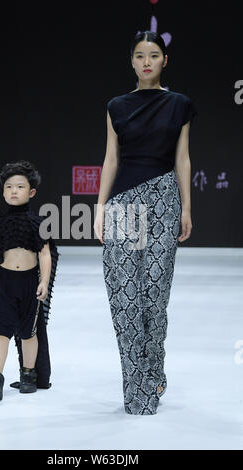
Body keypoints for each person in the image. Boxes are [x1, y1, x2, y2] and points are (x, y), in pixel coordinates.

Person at [94, 30, 197, 415]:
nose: (147, 61)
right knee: (125, 295)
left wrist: (186, 208)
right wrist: (100, 206)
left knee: (155, 296)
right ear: (132, 61)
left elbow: (183, 158)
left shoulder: (180, 104)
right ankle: (136, 388)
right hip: (124, 203)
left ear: (164, 60)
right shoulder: (116, 106)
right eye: (139, 55)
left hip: (165, 199)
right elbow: (111, 158)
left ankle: (154, 370)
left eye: (154, 54)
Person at [0, 160, 59, 401]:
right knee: (1, 330)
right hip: (5, 282)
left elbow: (44, 254)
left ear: (32, 192)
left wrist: (44, 281)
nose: (14, 191)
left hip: (28, 283)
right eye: (9, 187)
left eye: (20, 187)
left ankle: (29, 374)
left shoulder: (38, 223)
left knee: (28, 332)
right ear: (3, 191)